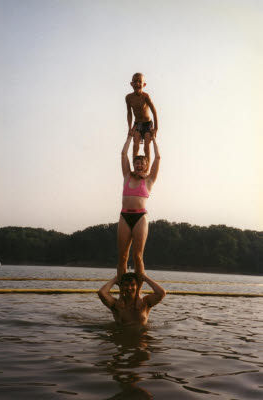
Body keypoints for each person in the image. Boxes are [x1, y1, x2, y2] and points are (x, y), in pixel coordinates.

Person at [117, 133, 160, 284]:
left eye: (142, 163)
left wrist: (153, 140)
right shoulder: (127, 175)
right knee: (122, 256)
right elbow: (123, 154)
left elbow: (158, 158)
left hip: (140, 217)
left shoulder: (149, 180)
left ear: (146, 166)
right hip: (124, 216)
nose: (139, 166)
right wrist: (129, 137)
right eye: (137, 163)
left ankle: (137, 293)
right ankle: (123, 292)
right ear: (134, 165)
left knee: (137, 256)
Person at [98, 272, 166, 326]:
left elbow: (161, 293)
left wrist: (145, 278)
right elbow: (102, 292)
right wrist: (115, 279)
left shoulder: (145, 303)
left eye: (132, 285)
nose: (129, 288)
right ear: (121, 286)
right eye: (126, 285)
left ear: (137, 286)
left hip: (141, 339)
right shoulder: (117, 305)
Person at [125, 73, 158, 165]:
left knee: (146, 146)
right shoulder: (128, 98)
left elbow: (154, 112)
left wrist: (156, 128)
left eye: (140, 82)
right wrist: (130, 128)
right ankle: (135, 167)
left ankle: (146, 168)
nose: (137, 84)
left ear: (144, 84)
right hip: (137, 123)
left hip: (147, 123)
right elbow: (129, 113)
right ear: (131, 84)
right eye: (135, 81)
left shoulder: (146, 96)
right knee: (135, 145)